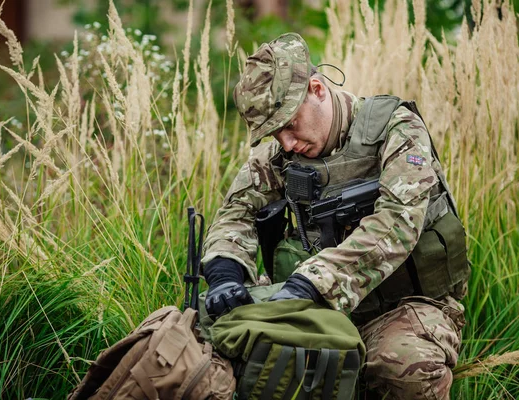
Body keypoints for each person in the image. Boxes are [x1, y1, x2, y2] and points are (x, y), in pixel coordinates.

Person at [201, 32, 470, 399]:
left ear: (317, 89)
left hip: (405, 303)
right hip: (318, 303)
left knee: (403, 366)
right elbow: (235, 211)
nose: (288, 144)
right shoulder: (281, 156)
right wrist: (224, 273)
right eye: (275, 135)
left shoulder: (396, 128)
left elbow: (399, 222)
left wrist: (312, 282)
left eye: (290, 125)